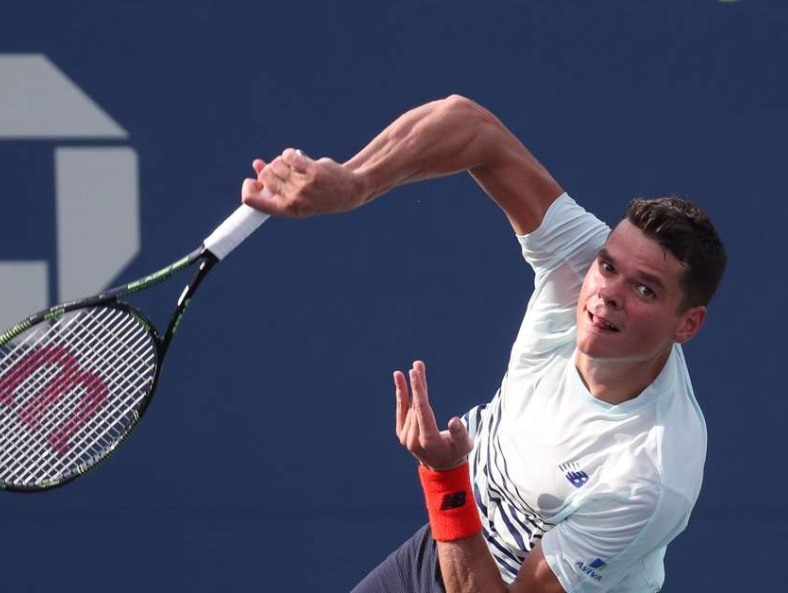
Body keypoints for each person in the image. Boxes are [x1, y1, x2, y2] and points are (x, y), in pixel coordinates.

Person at [242, 95, 727, 592]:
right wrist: (354, 182)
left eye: (645, 289)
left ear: (687, 324)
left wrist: (445, 475)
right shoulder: (581, 266)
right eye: (608, 267)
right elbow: (470, 126)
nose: (608, 294)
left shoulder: (647, 476)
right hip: (450, 546)